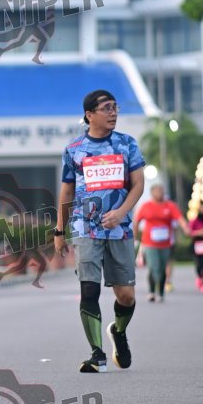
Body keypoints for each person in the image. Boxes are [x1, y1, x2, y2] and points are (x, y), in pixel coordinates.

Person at [55, 90, 145, 373]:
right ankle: (97, 355)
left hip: (119, 229)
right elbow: (67, 191)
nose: (113, 113)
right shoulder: (74, 150)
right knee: (89, 289)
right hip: (85, 228)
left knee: (126, 296)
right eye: (107, 108)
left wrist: (120, 213)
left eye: (115, 107)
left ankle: (118, 331)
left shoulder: (127, 144)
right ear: (89, 115)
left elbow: (138, 185)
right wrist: (59, 230)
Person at [134, 184, 187, 302]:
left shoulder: (170, 206)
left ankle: (161, 292)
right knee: (154, 267)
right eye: (157, 191)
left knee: (163, 268)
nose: (160, 193)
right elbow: (136, 221)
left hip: (165, 243)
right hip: (149, 243)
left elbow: (180, 218)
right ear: (152, 193)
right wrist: (134, 237)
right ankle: (152, 291)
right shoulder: (146, 206)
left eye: (161, 191)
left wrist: (185, 227)